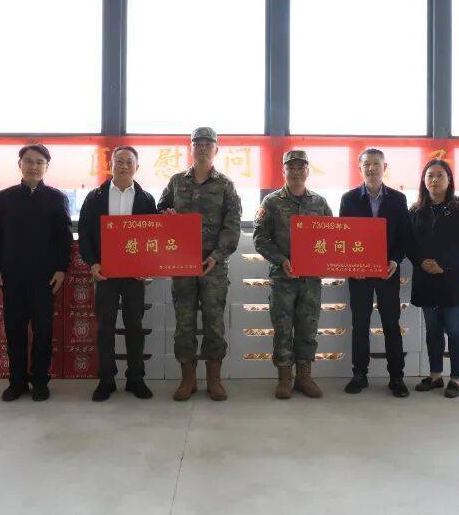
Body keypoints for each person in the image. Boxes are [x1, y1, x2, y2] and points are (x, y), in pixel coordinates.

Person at [158, 127, 242, 402]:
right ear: (191, 148)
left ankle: (214, 380)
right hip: (182, 264)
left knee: (214, 323)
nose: (203, 148)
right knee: (184, 322)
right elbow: (160, 211)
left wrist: (216, 255)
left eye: (208, 143)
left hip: (213, 265)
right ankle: (188, 379)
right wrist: (166, 214)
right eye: (198, 143)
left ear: (216, 149)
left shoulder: (226, 185)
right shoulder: (176, 182)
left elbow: (232, 226)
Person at [0, 144, 72, 402]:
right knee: (15, 332)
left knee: (43, 333)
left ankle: (40, 382)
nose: (33, 166)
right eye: (29, 161)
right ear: (20, 164)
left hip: (45, 278)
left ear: (46, 166)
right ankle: (17, 382)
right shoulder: (6, 197)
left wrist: (62, 268)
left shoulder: (57, 198)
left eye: (39, 162)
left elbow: (64, 237)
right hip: (12, 276)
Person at [78, 146, 159, 402]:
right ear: (111, 165)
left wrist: (148, 266)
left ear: (137, 167)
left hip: (135, 275)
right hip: (105, 273)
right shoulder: (95, 197)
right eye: (119, 161)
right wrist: (93, 264)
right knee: (105, 328)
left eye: (129, 162)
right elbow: (85, 234)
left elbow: (153, 237)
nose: (124, 166)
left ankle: (136, 378)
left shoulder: (146, 199)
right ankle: (106, 380)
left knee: (135, 326)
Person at [253, 150, 333, 400]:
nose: (296, 172)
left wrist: (327, 262)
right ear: (283, 171)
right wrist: (281, 259)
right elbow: (260, 239)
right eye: (291, 167)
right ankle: (284, 378)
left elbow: (332, 237)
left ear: (307, 171)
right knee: (283, 328)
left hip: (311, 279)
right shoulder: (271, 202)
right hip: (283, 278)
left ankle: (304, 377)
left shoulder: (319, 203)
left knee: (308, 327)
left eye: (301, 167)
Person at [338, 149, 410, 397]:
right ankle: (359, 374)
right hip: (359, 274)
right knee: (360, 324)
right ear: (360, 168)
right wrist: (352, 266)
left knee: (391, 323)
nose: (371, 168)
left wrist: (395, 261)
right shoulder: (349, 199)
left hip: (387, 272)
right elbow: (343, 236)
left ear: (384, 167)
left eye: (376, 164)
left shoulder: (398, 199)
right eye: (366, 164)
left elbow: (404, 236)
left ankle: (397, 377)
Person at [406, 158, 459, 398]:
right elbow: (409, 242)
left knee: (454, 329)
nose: (434, 180)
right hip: (426, 278)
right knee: (433, 330)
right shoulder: (416, 210)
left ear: (449, 179)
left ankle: (456, 378)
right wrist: (420, 261)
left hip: (452, 278)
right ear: (424, 181)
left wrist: (443, 264)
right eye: (430, 176)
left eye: (439, 175)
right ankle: (435, 376)